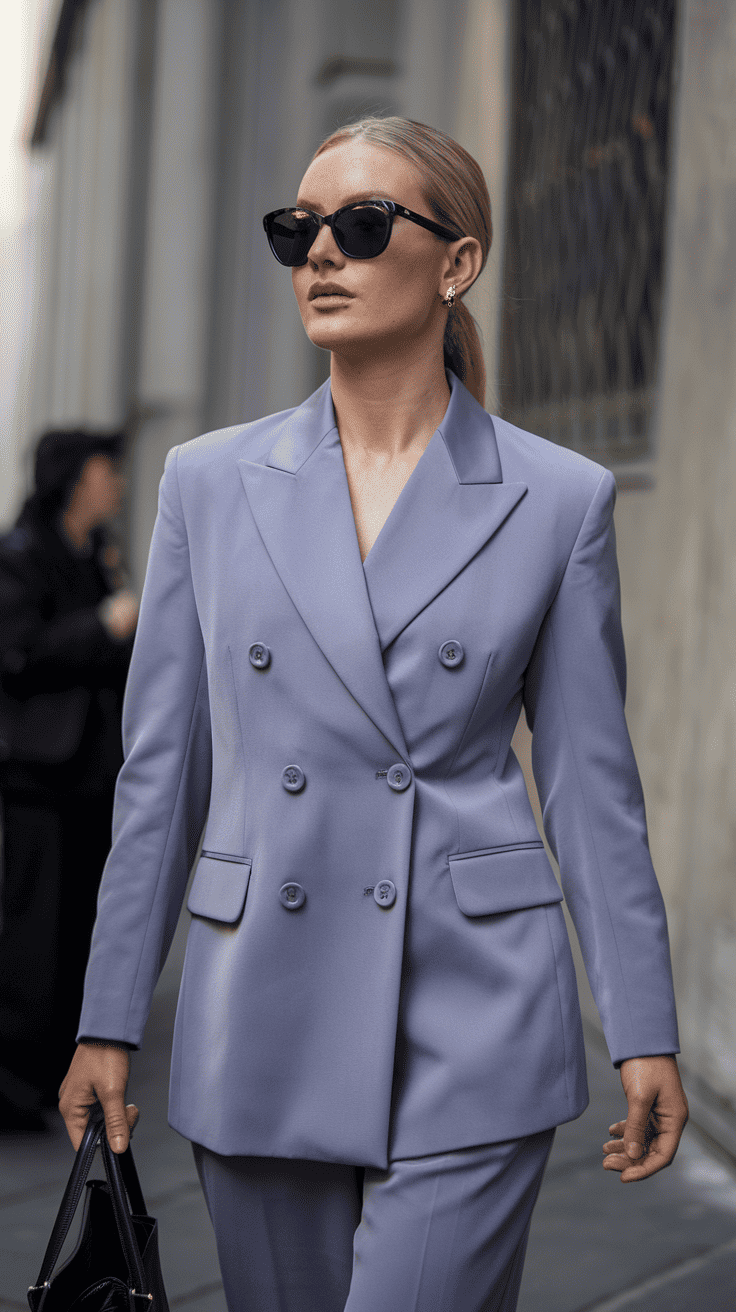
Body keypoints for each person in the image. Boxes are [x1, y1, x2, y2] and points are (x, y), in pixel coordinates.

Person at [59, 118, 688, 1310]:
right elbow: (162, 777)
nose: (320, 257)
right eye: (297, 231)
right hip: (265, 1003)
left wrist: (642, 1025)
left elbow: (589, 783)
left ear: (456, 263)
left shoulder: (558, 500)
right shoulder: (207, 481)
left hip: (474, 1003)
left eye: (360, 226)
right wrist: (107, 1019)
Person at [0, 430, 137, 1130]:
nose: (115, 482)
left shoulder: (98, 553)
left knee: (80, 929)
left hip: (92, 774)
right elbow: (17, 655)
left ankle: (56, 1070)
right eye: (104, 470)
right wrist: (102, 625)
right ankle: (16, 1085)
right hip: (37, 777)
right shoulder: (23, 555)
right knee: (33, 934)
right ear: (73, 480)